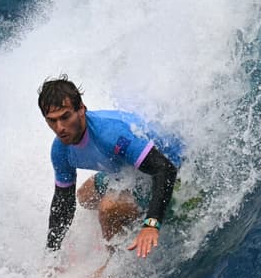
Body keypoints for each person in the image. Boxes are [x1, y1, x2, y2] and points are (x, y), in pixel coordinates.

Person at [38, 76, 180, 259]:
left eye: (65, 117)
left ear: (81, 109)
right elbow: (64, 202)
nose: (60, 128)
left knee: (108, 208)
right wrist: (52, 253)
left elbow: (165, 169)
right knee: (84, 196)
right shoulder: (60, 149)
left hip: (172, 170)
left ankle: (112, 269)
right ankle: (120, 226)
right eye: (52, 120)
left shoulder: (110, 134)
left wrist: (152, 224)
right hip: (127, 172)